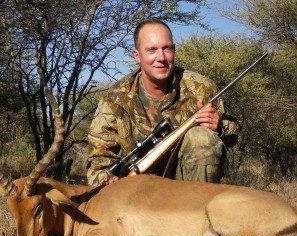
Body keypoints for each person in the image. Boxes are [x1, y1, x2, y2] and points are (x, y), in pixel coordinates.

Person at [87, 19, 235, 186]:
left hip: (187, 187)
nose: (161, 58)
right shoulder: (114, 99)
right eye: (151, 50)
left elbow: (233, 133)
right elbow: (98, 157)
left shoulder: (202, 88)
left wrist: (219, 127)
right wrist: (106, 180)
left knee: (200, 138)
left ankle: (196, 208)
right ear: (137, 55)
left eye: (167, 49)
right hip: (133, 189)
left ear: (174, 50)